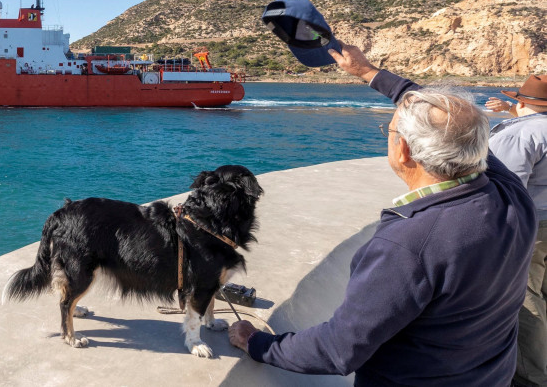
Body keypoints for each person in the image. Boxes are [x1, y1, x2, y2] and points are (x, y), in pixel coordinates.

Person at [229, 45, 538, 386]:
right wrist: (367, 71)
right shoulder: (512, 196)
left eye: (388, 132)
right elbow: (448, 121)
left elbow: (337, 348)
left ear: (403, 150)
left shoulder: (408, 244)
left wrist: (256, 342)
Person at [486, 76, 547, 387]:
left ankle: (530, 375)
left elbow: (509, 190)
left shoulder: (521, 134)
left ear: (522, 102)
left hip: (533, 225)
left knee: (524, 295)